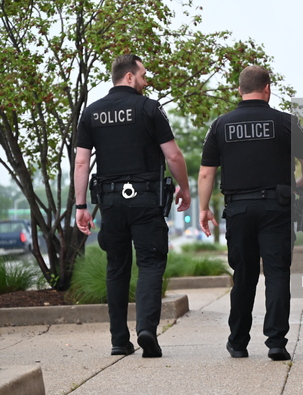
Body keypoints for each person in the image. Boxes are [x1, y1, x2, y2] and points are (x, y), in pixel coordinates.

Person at [74, 54, 191, 358]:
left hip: (110, 202)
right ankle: (146, 330)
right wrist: (185, 189)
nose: (145, 80)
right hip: (146, 199)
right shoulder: (149, 108)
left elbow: (82, 162)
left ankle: (118, 340)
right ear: (128, 76)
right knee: (151, 263)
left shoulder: (91, 113)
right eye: (143, 75)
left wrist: (80, 205)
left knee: (117, 267)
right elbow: (174, 156)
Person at [198, 65, 303, 361]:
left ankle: (238, 342)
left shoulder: (220, 125)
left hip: (238, 208)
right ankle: (276, 342)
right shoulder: (285, 122)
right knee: (277, 273)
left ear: (239, 90)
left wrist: (203, 208)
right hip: (277, 207)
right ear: (268, 88)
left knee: (244, 275)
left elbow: (205, 173)